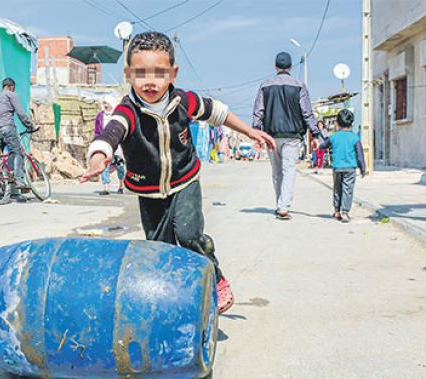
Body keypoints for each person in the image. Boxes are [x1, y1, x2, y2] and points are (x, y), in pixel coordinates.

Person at [81, 31, 276, 314]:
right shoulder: (127, 110)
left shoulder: (184, 101)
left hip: (185, 180)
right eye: (141, 73)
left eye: (160, 73)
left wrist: (248, 130)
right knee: (158, 247)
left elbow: (218, 112)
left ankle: (216, 278)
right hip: (147, 189)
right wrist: (98, 157)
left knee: (189, 235)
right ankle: (172, 298)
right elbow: (111, 133)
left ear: (173, 73)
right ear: (128, 74)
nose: (150, 81)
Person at [253, 52, 322, 220]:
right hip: (292, 136)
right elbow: (307, 113)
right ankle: (283, 206)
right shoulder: (299, 85)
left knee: (276, 172)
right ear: (290, 67)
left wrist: (256, 135)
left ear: (275, 67)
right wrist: (315, 134)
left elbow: (258, 112)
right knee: (289, 170)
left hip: (271, 135)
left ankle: (280, 204)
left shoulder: (265, 85)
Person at [0, 78, 36, 203]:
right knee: (17, 152)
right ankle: (19, 179)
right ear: (11, 86)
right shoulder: (11, 95)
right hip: (7, 127)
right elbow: (20, 113)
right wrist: (30, 126)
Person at [318, 109, 365, 223]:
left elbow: (323, 145)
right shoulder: (355, 138)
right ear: (352, 124)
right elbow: (360, 154)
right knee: (347, 189)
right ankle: (345, 212)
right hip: (350, 168)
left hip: (337, 168)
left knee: (337, 189)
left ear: (337, 123)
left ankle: (337, 210)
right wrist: (363, 168)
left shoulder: (334, 137)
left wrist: (321, 137)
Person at [94, 97, 125, 195]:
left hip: (118, 145)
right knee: (105, 165)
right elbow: (97, 131)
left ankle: (121, 185)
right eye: (104, 104)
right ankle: (106, 187)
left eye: (107, 103)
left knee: (120, 166)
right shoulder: (100, 116)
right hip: (105, 144)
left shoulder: (117, 115)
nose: (106, 106)